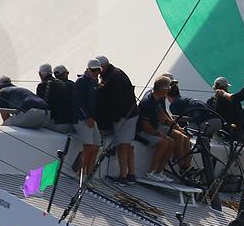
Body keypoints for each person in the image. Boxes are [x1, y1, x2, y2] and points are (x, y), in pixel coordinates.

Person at [96, 56, 138, 184]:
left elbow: (117, 100)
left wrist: (114, 118)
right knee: (128, 145)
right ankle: (131, 174)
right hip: (131, 113)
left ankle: (123, 177)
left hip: (124, 116)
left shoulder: (112, 77)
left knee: (122, 145)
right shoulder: (116, 73)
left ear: (102, 67)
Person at [137, 76, 176, 182]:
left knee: (171, 142)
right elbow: (145, 126)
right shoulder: (148, 102)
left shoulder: (157, 100)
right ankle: (150, 172)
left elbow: (159, 116)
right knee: (164, 143)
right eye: (168, 89)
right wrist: (159, 134)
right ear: (163, 90)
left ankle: (159, 172)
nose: (169, 91)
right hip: (142, 132)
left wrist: (168, 122)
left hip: (151, 129)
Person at [156, 73, 192, 174]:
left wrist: (174, 124)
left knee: (185, 137)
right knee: (179, 136)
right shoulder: (156, 95)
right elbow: (158, 114)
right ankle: (182, 167)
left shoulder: (162, 95)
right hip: (154, 125)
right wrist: (171, 123)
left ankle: (187, 167)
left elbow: (163, 112)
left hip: (162, 123)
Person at [73, 59, 103, 176]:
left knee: (96, 147)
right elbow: (78, 102)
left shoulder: (93, 82)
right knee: (89, 146)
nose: (96, 72)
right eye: (94, 70)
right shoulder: (81, 82)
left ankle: (88, 174)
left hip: (91, 119)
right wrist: (86, 117)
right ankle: (80, 173)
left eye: (98, 70)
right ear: (88, 69)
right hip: (82, 119)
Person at [44, 64, 75, 132]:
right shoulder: (72, 85)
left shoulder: (50, 86)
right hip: (70, 122)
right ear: (66, 73)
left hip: (56, 121)